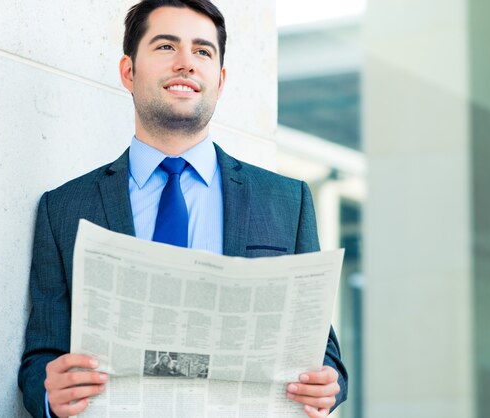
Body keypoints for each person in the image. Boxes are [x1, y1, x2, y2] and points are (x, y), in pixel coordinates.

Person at [17, 1, 348, 417]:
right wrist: (50, 393)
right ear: (128, 71)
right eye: (166, 47)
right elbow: (41, 356)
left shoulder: (287, 201)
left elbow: (323, 351)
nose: (186, 64)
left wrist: (327, 385)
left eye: (203, 51)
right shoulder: (64, 208)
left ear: (221, 80)